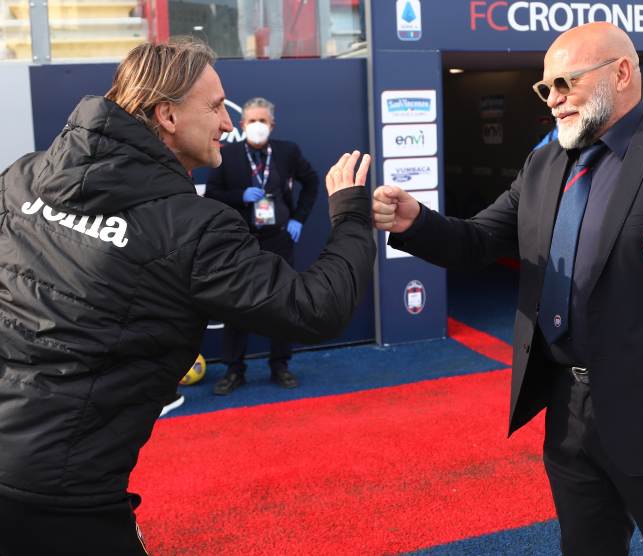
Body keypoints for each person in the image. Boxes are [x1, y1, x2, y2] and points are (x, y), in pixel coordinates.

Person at [373, 22, 643, 555]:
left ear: (621, 73)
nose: (554, 100)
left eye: (565, 82)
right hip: (567, 414)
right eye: (545, 88)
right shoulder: (543, 165)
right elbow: (479, 241)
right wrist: (414, 224)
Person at [0, 37, 374, 555]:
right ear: (167, 116)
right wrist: (352, 215)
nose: (229, 122)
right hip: (64, 495)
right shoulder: (192, 228)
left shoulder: (21, 178)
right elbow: (318, 306)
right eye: (217, 106)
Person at [205, 96, 318, 393]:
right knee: (236, 306)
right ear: (242, 125)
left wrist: (299, 219)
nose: (257, 126)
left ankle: (280, 365)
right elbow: (212, 195)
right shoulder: (226, 155)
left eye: (263, 121)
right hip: (240, 242)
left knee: (284, 305)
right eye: (252, 121)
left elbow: (312, 182)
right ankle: (234, 370)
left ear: (272, 125)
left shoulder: (287, 152)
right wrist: (240, 195)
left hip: (279, 240)